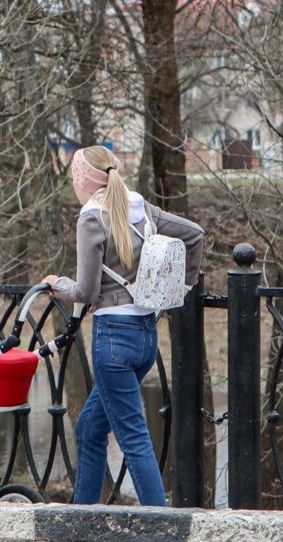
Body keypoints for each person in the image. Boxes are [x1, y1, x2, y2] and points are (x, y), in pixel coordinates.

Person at [43, 146, 204, 506]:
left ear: (83, 180)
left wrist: (59, 284)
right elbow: (194, 235)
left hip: (112, 339)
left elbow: (85, 290)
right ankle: (82, 515)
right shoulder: (142, 209)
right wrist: (182, 287)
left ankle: (159, 520)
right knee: (90, 428)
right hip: (145, 337)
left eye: (73, 177)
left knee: (133, 437)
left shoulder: (90, 218)